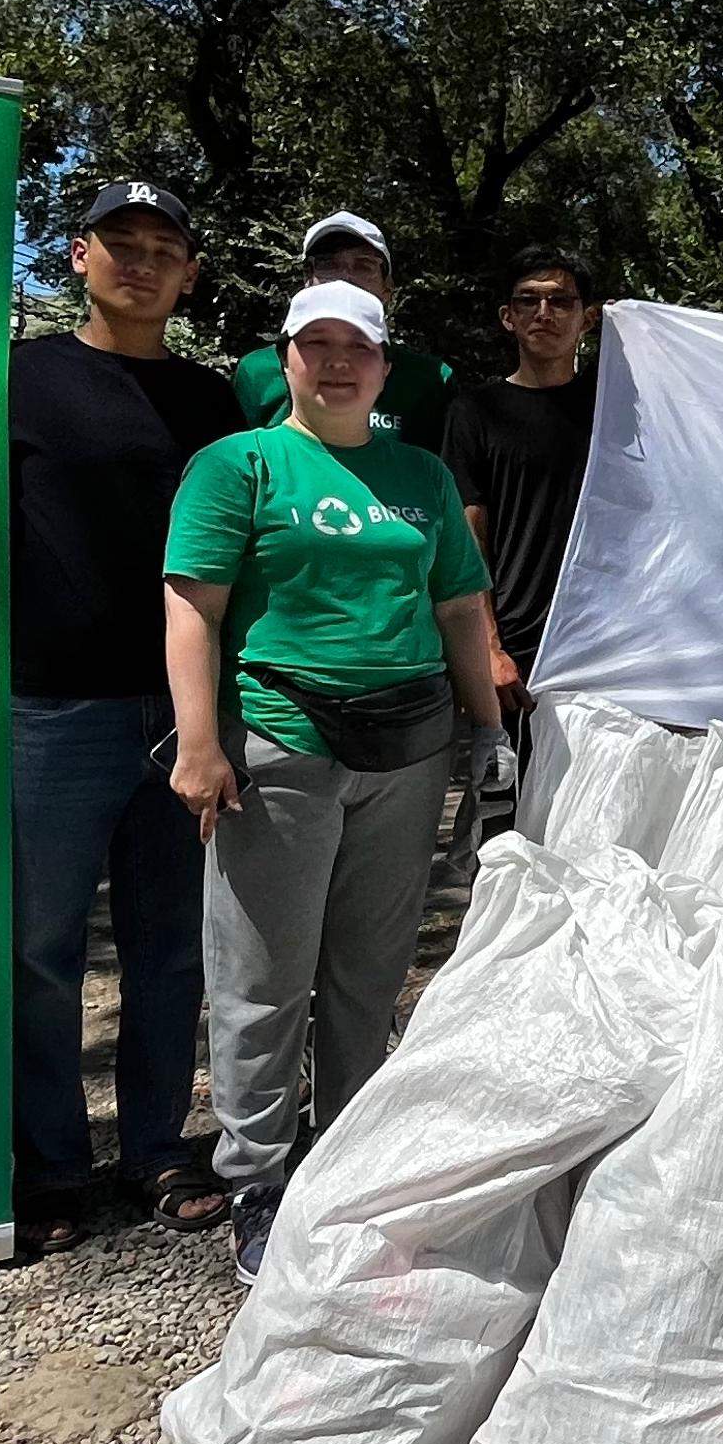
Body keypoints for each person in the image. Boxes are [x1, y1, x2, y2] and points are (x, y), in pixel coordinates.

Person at [164, 280, 514, 1282]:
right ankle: (258, 1178)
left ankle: (348, 1156)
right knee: (263, 980)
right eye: (314, 344)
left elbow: (458, 610)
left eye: (356, 346)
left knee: (367, 975)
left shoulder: (420, 475)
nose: (336, 362)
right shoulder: (240, 465)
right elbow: (193, 607)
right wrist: (200, 743)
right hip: (283, 748)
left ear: (383, 363)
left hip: (408, 753)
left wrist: (488, 735)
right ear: (285, 360)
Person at [5, 179, 245, 1253]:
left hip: (186, 714)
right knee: (41, 950)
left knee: (171, 949)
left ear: (188, 276)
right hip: (49, 706)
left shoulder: (211, 404)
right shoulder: (17, 379)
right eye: (121, 243)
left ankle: (155, 1146)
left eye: (163, 249)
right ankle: (50, 1163)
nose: (141, 263)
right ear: (78, 256)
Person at [433, 245, 602, 793]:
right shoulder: (474, 412)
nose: (543, 313)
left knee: (604, 809)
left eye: (560, 301)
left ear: (588, 318)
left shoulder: (617, 407)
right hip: (519, 651)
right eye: (528, 301)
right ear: (508, 317)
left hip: (605, 646)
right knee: (508, 814)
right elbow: (466, 535)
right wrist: (487, 647)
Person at [228, 211, 459, 450]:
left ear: (388, 288)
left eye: (363, 265)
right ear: (308, 279)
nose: (345, 278)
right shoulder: (257, 372)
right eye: (328, 264)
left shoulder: (431, 380)